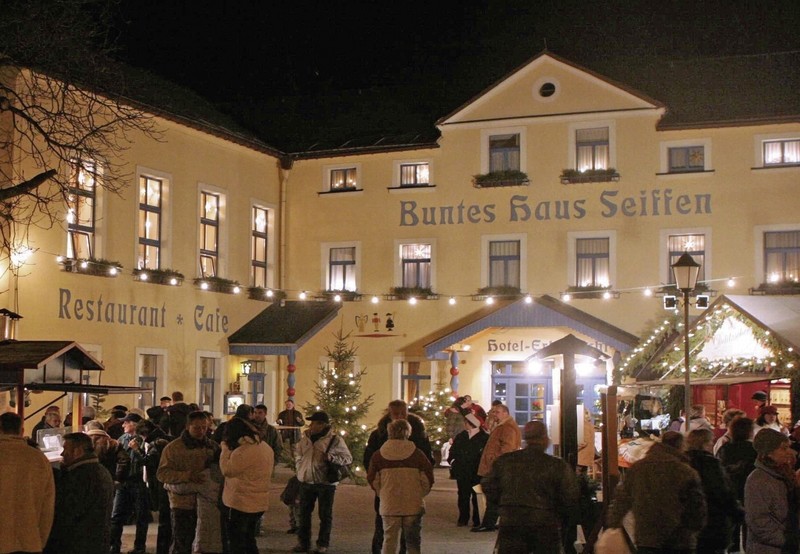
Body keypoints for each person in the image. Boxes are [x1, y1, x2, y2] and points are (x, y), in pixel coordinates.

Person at [482, 421, 580, 554]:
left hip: (512, 520)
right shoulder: (556, 465)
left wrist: (503, 505)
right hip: (545, 523)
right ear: (545, 439)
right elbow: (570, 496)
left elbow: (489, 485)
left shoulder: (505, 461)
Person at [607, 431, 706, 553]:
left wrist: (613, 523)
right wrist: (692, 529)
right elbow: (697, 507)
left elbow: (622, 499)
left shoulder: (638, 468)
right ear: (680, 446)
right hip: (679, 540)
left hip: (647, 538)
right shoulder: (685, 471)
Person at [364, 400, 433, 553]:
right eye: (396, 414)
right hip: (388, 491)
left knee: (408, 534)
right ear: (389, 414)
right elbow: (370, 465)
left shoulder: (419, 433)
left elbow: (427, 465)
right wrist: (379, 489)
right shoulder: (379, 434)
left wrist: (419, 490)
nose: (400, 416)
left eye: (403, 413)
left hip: (407, 491)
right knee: (385, 530)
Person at [157, 410, 221, 554]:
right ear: (188, 427)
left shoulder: (212, 446)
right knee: (182, 543)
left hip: (206, 504)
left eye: (204, 427)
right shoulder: (173, 448)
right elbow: (162, 474)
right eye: (197, 428)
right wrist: (187, 476)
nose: (202, 431)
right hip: (182, 503)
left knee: (203, 545)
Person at [44, 432, 115, 554]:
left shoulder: (80, 477)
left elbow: (66, 513)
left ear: (77, 451)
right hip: (96, 542)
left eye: (65, 449)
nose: (62, 454)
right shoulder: (99, 470)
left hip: (78, 544)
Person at [293, 411, 353, 554]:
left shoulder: (335, 440)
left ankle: (322, 545)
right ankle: (303, 543)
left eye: (314, 422)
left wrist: (332, 458)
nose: (311, 425)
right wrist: (299, 466)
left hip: (325, 483)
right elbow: (298, 454)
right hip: (306, 481)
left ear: (322, 425)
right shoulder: (305, 438)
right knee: (304, 514)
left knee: (325, 515)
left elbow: (347, 458)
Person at [0, 411, 55, 554]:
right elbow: (47, 507)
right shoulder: (39, 459)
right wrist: (39, 541)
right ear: (21, 430)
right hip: (29, 540)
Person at [220, 416, 274, 554]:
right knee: (249, 538)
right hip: (259, 501)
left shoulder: (243, 451)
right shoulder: (265, 447)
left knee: (237, 540)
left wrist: (225, 449)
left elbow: (227, 470)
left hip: (241, 502)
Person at [685, 428, 742, 554]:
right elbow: (721, 492)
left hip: (690, 525)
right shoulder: (710, 464)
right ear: (704, 443)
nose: (712, 444)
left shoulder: (683, 462)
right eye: (710, 441)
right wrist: (737, 513)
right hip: (713, 523)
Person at [745, 428, 799, 554]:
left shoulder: (785, 475)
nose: (789, 452)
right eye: (783, 448)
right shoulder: (758, 480)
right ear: (769, 452)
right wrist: (788, 540)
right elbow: (759, 521)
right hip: (769, 549)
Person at [473, 403, 521, 532]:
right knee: (495, 496)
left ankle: (489, 523)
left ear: (505, 413)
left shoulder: (507, 427)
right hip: (495, 467)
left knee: (493, 495)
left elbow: (507, 449)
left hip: (496, 468)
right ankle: (492, 522)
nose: (495, 414)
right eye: (494, 412)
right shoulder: (501, 426)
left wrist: (494, 460)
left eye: (497, 412)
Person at [109, 413, 150, 554]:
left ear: (134, 424)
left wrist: (136, 450)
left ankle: (139, 547)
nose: (123, 425)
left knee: (141, 516)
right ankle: (114, 546)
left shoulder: (144, 440)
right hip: (124, 482)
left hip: (139, 483)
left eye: (126, 422)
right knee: (116, 515)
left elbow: (147, 461)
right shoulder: (122, 439)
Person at [717, 416, 757, 553]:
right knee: (749, 527)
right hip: (749, 492)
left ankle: (733, 550)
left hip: (730, 492)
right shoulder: (754, 450)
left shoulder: (725, 449)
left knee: (732, 528)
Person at [137, 418, 173, 554]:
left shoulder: (156, 443)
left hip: (161, 485)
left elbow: (149, 462)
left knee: (164, 520)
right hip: (165, 484)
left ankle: (162, 549)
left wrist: (137, 451)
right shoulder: (164, 439)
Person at [447, 413, 488, 527]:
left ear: (469, 424)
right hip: (463, 471)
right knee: (463, 495)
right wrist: (453, 461)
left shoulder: (484, 438)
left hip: (477, 471)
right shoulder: (462, 436)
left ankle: (477, 518)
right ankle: (463, 518)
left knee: (477, 495)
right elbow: (453, 451)